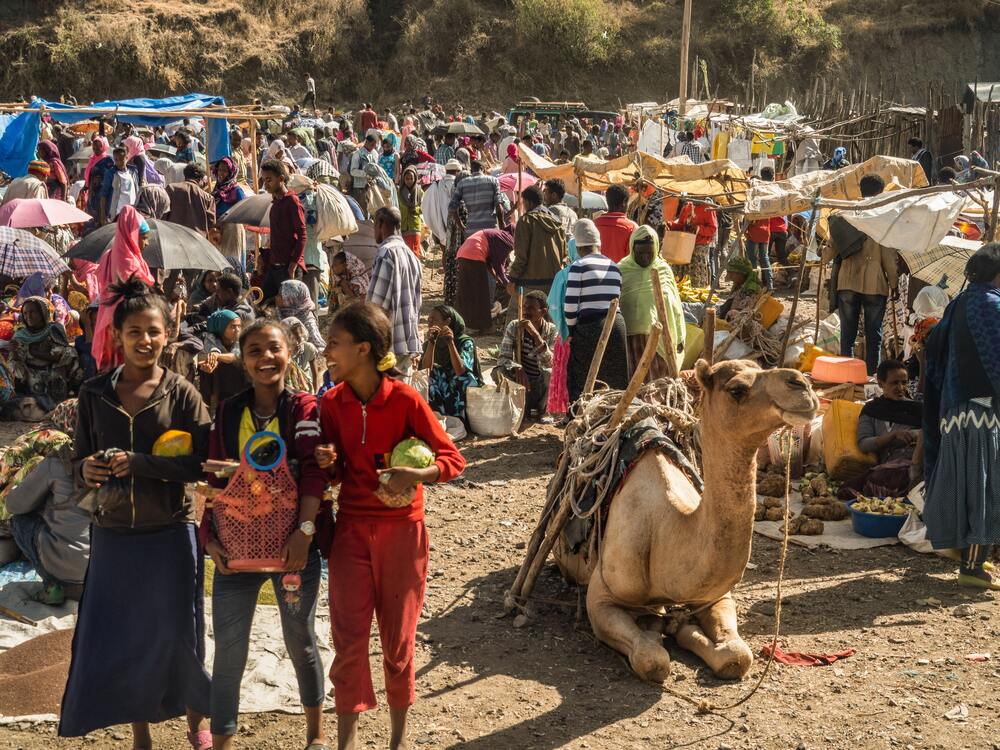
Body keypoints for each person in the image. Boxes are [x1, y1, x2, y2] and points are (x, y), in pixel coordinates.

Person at [59, 279, 212, 748]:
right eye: (134, 332)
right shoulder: (93, 393)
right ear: (117, 336)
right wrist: (86, 467)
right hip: (112, 534)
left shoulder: (182, 393)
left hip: (169, 530)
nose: (145, 341)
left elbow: (200, 463)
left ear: (169, 334)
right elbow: (77, 459)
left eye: (154, 331)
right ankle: (140, 731)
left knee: (180, 631)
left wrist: (140, 464)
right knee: (125, 635)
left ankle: (197, 724)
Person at [315, 302, 465, 750]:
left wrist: (418, 475)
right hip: (352, 530)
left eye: (335, 344)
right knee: (349, 641)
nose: (327, 353)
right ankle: (347, 741)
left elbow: (452, 459)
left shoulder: (404, 400)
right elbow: (333, 474)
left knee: (399, 642)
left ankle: (398, 741)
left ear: (363, 349)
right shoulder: (330, 402)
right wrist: (330, 464)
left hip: (403, 532)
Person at [200, 319, 329, 748]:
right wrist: (209, 539)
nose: (265, 358)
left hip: (294, 552)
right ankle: (222, 742)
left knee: (300, 640)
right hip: (235, 553)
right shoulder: (228, 411)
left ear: (290, 351)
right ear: (242, 358)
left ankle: (315, 736)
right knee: (229, 651)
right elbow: (216, 481)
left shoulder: (304, 409)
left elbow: (314, 474)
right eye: (254, 350)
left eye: (273, 348)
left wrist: (305, 534)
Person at [922, 243, 1000, 590]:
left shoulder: (960, 303)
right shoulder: (992, 306)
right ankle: (972, 567)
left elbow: (933, 345)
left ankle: (962, 551)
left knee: (962, 484)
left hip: (955, 407)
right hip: (982, 409)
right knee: (983, 487)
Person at [7, 400, 90, 605]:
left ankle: (52, 584)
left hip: (70, 567)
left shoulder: (59, 460)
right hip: (106, 568)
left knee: (19, 520)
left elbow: (14, 506)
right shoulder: (120, 460)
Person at [830, 174, 898, 375]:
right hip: (874, 282)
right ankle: (871, 375)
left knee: (847, 333)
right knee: (873, 333)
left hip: (847, 280)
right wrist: (893, 282)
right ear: (880, 191)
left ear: (860, 189)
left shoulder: (845, 214)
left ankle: (846, 373)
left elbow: (831, 251)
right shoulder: (882, 216)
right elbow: (888, 254)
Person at [563, 218, 627, 402]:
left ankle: (581, 419)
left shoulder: (578, 267)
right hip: (616, 326)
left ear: (578, 246)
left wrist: (573, 330)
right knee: (614, 380)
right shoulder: (614, 267)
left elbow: (570, 306)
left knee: (582, 379)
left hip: (591, 327)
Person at [843, 359, 923, 499]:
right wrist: (893, 436)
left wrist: (914, 435)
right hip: (887, 469)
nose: (900, 388)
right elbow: (864, 444)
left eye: (904, 382)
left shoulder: (917, 409)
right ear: (881, 383)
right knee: (855, 486)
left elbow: (931, 434)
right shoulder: (872, 410)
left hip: (915, 466)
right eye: (894, 383)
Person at [92, 207, 155, 371]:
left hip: (108, 320)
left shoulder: (109, 255)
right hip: (127, 321)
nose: (146, 243)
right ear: (133, 236)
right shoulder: (130, 262)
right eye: (144, 238)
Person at [618, 225, 685, 381]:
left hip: (660, 340)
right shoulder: (622, 270)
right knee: (634, 382)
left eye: (650, 253)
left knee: (659, 382)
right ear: (632, 249)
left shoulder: (663, 269)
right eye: (640, 253)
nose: (645, 258)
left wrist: (680, 336)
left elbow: (676, 306)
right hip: (631, 340)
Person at [367, 206, 423, 377]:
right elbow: (417, 303)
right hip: (406, 341)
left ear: (381, 224)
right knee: (399, 399)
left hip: (387, 346)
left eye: (375, 224)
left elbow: (375, 306)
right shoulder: (412, 256)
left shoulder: (386, 253)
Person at [9, 296, 83, 411]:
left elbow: (62, 355)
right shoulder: (20, 335)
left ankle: (74, 391)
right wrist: (15, 353)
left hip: (53, 375)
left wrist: (37, 353)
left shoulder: (54, 329)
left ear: (43, 312)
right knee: (12, 363)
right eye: (25, 313)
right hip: (31, 377)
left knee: (70, 352)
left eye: (33, 312)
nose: (28, 316)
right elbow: (17, 361)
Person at [494, 290, 556, 420]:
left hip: (540, 385)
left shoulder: (552, 330)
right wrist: (517, 367)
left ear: (543, 312)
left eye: (532, 308)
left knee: (550, 373)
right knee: (499, 371)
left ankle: (543, 409)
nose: (526, 311)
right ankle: (520, 406)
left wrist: (535, 335)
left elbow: (551, 363)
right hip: (521, 382)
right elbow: (503, 358)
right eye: (525, 307)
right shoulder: (514, 326)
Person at [508, 185, 565, 320]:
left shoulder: (526, 221)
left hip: (529, 283)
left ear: (527, 202)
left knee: (515, 318)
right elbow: (564, 254)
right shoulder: (557, 223)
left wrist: (512, 279)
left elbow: (521, 256)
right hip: (552, 283)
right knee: (548, 322)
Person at [419, 305, 482, 420]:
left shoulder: (465, 342)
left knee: (459, 378)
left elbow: (461, 371)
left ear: (447, 322)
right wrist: (431, 343)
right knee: (427, 378)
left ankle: (460, 417)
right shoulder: (429, 343)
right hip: (442, 386)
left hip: (458, 384)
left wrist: (450, 343)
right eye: (429, 320)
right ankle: (435, 415)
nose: (430, 324)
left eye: (434, 320)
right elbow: (425, 370)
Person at [455, 219, 515, 333]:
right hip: (474, 255)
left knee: (466, 292)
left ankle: (461, 324)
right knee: (481, 294)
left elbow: (489, 263)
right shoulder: (506, 240)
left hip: (463, 253)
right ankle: (485, 327)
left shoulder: (497, 235)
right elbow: (499, 265)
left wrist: (497, 277)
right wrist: (507, 284)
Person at [259, 159, 307, 302]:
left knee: (290, 309)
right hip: (274, 266)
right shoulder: (275, 204)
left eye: (269, 180)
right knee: (262, 304)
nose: (265, 184)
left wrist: (293, 266)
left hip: (288, 267)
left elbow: (302, 235)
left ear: (280, 179)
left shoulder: (292, 201)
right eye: (264, 180)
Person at [668, 199, 717, 288]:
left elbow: (712, 229)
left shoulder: (708, 209)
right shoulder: (686, 207)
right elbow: (682, 226)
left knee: (696, 273)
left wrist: (698, 229)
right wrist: (671, 225)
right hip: (684, 245)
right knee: (680, 271)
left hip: (699, 246)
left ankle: (697, 290)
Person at [212, 156, 248, 269]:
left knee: (231, 261)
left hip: (232, 229)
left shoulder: (237, 191)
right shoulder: (216, 190)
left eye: (225, 170)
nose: (221, 173)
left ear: (231, 172)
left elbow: (244, 210)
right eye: (219, 170)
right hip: (218, 230)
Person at [166, 163, 217, 237]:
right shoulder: (208, 198)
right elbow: (211, 222)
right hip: (197, 239)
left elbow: (163, 212)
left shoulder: (171, 189)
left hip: (173, 235)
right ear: (200, 179)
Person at [745, 168, 776, 289]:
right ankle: (770, 285)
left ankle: (754, 284)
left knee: (752, 260)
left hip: (754, 232)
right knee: (765, 259)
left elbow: (751, 217)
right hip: (765, 233)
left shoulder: (755, 195)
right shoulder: (769, 194)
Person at [593, 184, 637, 263]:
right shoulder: (632, 227)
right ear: (624, 202)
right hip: (621, 274)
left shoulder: (593, 224)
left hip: (595, 273)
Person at [278, 278, 325, 349]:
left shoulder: (307, 321)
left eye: (282, 295)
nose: (277, 297)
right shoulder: (280, 312)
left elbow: (320, 347)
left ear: (293, 298)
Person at [100, 146, 139, 224]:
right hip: (117, 214)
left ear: (126, 158)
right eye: (116, 160)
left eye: (121, 159)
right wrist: (102, 215)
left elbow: (137, 190)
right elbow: (103, 195)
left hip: (132, 211)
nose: (119, 162)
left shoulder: (133, 171)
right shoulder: (110, 174)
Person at [718, 254, 762, 321]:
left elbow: (745, 312)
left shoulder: (751, 289)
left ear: (741, 273)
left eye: (733, 274)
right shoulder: (739, 285)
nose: (731, 277)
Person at [283, 316, 322, 392]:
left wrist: (316, 393)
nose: (297, 343)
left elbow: (315, 375)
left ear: (302, 335)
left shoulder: (309, 348)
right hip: (290, 389)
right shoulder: (284, 353)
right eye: (293, 339)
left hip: (308, 387)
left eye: (299, 338)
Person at [349, 134, 380, 212]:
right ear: (366, 142)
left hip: (372, 186)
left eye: (374, 145)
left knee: (371, 210)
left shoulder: (375, 154)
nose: (373, 147)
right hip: (360, 187)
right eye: (372, 144)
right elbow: (352, 171)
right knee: (361, 211)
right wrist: (366, 174)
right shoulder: (358, 154)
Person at [398, 165, 423, 256]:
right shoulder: (399, 192)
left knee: (414, 252)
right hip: (402, 226)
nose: (409, 181)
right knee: (404, 253)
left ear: (415, 178)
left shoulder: (420, 192)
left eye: (411, 178)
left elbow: (423, 208)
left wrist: (415, 209)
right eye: (407, 178)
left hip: (415, 226)